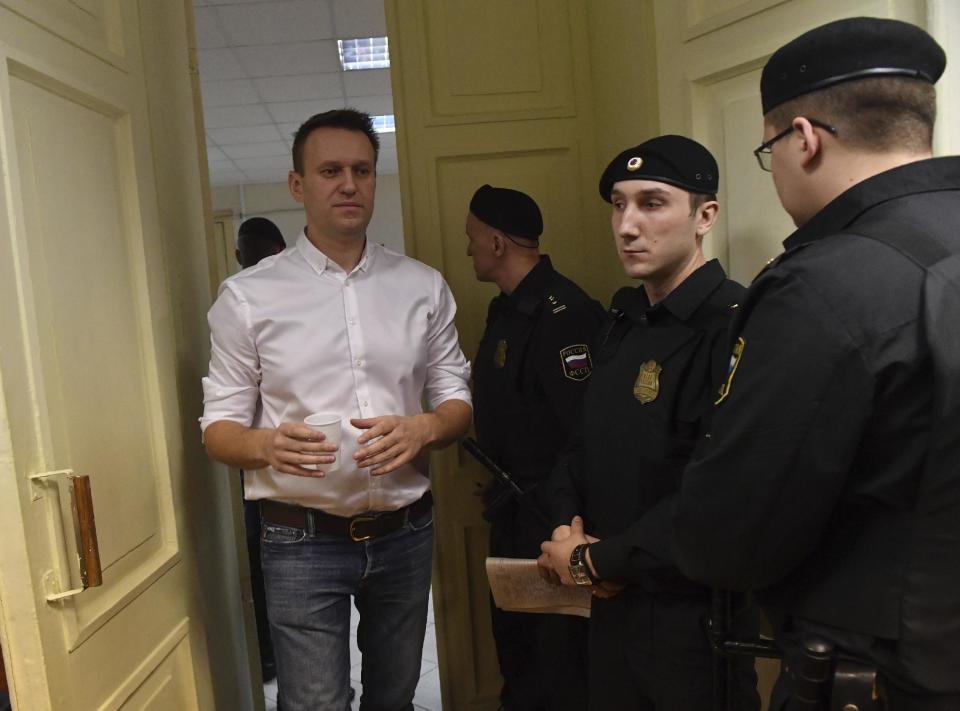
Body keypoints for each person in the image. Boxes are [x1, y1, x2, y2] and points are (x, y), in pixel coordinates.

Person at [670, 17, 960, 710]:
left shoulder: (825, 285)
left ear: (802, 139)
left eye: (768, 151)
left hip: (887, 678)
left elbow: (726, 540)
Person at [201, 108, 473, 710]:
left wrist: (428, 425)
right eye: (330, 171)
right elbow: (218, 431)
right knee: (315, 702)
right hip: (300, 538)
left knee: (394, 697)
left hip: (405, 533)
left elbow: (458, 398)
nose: (349, 184)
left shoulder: (422, 287)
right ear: (298, 185)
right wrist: (267, 445)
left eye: (362, 170)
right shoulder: (248, 297)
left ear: (375, 179)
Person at [537, 135, 759, 710]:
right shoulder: (624, 320)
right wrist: (569, 531)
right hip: (607, 606)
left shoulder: (736, 325)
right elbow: (579, 447)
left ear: (704, 215)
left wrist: (595, 561)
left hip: (690, 622)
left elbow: (718, 493)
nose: (627, 225)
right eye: (618, 204)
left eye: (652, 203)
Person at [467, 184, 603, 710]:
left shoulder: (563, 313)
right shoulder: (506, 311)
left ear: (497, 243)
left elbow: (584, 433)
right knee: (519, 657)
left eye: (473, 238)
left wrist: (566, 521)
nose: (469, 249)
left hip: (552, 518)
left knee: (559, 668)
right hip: (511, 511)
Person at [233, 216, 286, 685]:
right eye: (250, 259)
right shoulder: (236, 306)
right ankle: (269, 658)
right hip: (259, 475)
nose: (257, 268)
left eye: (266, 258)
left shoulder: (301, 307)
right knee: (257, 564)